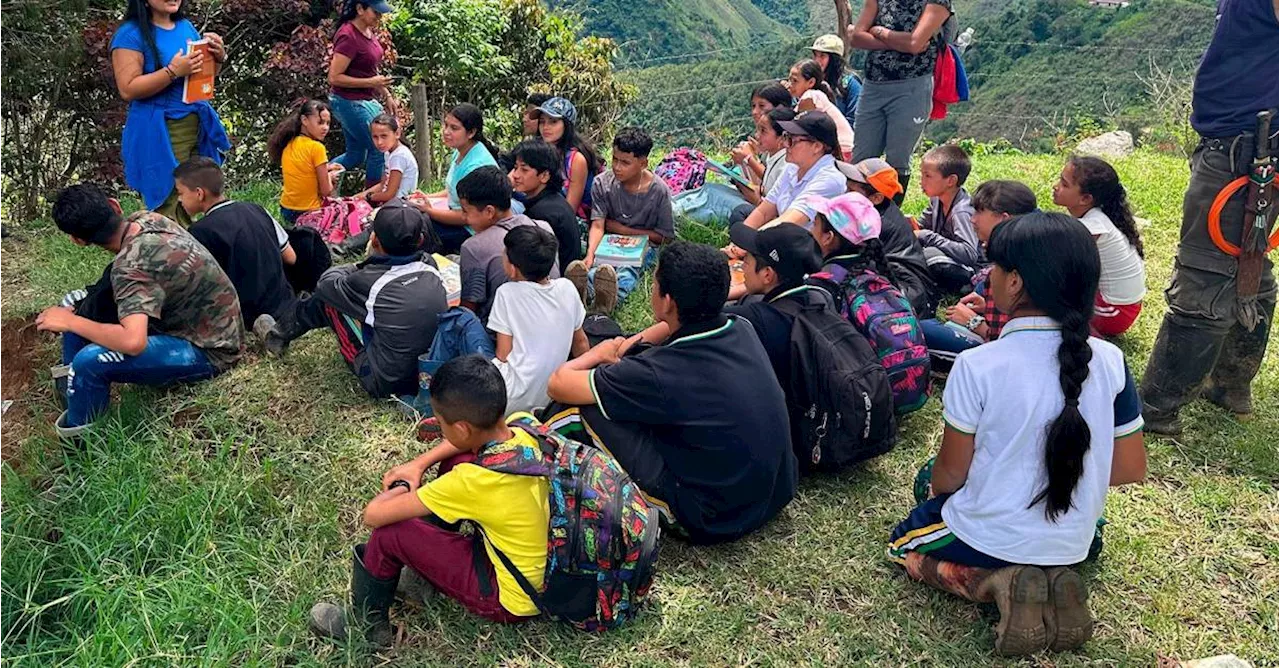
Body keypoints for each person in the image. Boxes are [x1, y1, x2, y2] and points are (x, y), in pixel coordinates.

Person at [886, 212, 1146, 656]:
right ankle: (1049, 575)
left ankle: (994, 584)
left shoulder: (977, 364)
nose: (990, 277)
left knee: (903, 542)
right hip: (1075, 542)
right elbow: (1127, 470)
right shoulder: (1111, 362)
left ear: (1016, 283)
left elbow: (949, 478)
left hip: (986, 539)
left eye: (996, 268)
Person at [546, 241, 798, 545]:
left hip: (711, 516)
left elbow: (558, 382)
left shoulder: (655, 372)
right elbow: (666, 331)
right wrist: (626, 344)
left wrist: (599, 351)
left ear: (667, 301)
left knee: (578, 409)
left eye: (654, 282)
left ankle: (530, 458)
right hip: (775, 490)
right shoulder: (739, 325)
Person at [308, 356, 549, 645]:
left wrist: (401, 488)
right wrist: (418, 465)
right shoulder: (525, 428)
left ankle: (367, 628)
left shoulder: (472, 482)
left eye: (441, 422)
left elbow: (374, 515)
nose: (439, 427)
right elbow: (463, 445)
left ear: (461, 428)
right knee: (459, 456)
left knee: (391, 534)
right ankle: (421, 579)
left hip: (509, 598)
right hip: (543, 571)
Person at [1142, 0, 1280, 436]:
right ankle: (1230, 384)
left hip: (1245, 152)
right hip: (1243, 145)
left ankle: (1157, 408)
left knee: (1204, 276)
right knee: (1247, 263)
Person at [37, 185, 243, 440]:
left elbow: (133, 342)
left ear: (77, 240)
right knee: (84, 310)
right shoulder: (149, 219)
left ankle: (82, 456)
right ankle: (73, 398)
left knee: (88, 362)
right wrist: (77, 318)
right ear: (115, 205)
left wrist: (71, 321)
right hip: (207, 321)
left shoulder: (130, 268)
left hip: (210, 348)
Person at [256, 202, 447, 399]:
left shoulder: (367, 282)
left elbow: (325, 283)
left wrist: (363, 264)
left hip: (384, 382)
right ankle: (280, 332)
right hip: (429, 371)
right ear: (421, 239)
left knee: (327, 301)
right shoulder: (428, 263)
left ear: (374, 241)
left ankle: (277, 335)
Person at [110, 0, 231, 225]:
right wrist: (172, 72)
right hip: (160, 127)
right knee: (171, 196)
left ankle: (201, 247)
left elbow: (202, 76)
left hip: (197, 121)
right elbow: (127, 88)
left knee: (202, 191)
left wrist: (218, 57)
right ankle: (174, 252)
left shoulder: (185, 26)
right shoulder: (130, 34)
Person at [920, 180, 1038, 373]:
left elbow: (1016, 342)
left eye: (979, 212)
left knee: (919, 331)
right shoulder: (1028, 242)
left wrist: (974, 323)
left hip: (1009, 355)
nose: (973, 220)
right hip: (1005, 331)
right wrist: (987, 306)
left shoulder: (1016, 263)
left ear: (1003, 218)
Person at [176, 157, 297, 328]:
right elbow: (290, 257)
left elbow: (198, 286)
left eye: (180, 193)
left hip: (243, 316)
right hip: (284, 305)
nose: (179, 200)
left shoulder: (200, 231)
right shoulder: (256, 209)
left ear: (199, 193)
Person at [848, 0, 953, 195]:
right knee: (861, 160)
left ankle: (889, 216)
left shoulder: (938, 2)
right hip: (872, 86)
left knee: (897, 161)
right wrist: (900, 42)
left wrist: (878, 31)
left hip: (912, 87)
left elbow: (914, 44)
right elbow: (856, 38)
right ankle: (854, 214)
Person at [567, 127, 675, 314]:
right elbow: (598, 224)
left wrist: (622, 229)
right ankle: (583, 290)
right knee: (597, 267)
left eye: (625, 163)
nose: (617, 167)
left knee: (628, 270)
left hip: (644, 246)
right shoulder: (602, 183)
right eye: (615, 159)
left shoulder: (659, 191)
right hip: (610, 243)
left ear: (643, 163)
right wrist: (590, 255)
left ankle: (610, 300)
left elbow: (664, 237)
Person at [490, 226, 590, 414]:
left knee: (463, 322)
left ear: (512, 269)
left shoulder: (506, 293)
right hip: (554, 396)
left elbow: (503, 354)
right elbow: (581, 343)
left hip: (509, 400)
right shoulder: (567, 287)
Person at [1052, 156, 1146, 337]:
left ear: (1086, 198)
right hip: (1120, 306)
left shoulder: (1092, 227)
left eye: (1064, 184)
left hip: (1114, 311)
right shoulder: (1098, 216)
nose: (1056, 186)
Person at [723, 222, 825, 387]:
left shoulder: (752, 321)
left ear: (767, 274)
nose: (742, 267)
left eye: (746, 261)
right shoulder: (818, 298)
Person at [457, 166, 559, 323]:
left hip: (502, 333)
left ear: (489, 211)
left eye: (465, 211)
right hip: (551, 317)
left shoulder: (473, 247)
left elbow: (469, 310)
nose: (463, 217)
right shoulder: (543, 227)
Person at [838, 157, 937, 317]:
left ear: (876, 198)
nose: (844, 195)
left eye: (851, 191)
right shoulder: (874, 212)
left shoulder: (874, 225)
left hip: (908, 293)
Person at [414, 103, 502, 253]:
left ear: (471, 132)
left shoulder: (476, 166)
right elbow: (453, 189)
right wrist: (427, 197)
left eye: (454, 128)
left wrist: (429, 210)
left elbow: (467, 216)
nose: (446, 132)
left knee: (415, 225)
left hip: (470, 229)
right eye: (446, 125)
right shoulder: (461, 150)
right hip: (455, 216)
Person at [328, 0, 397, 188]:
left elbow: (368, 70)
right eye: (376, 12)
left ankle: (318, 176)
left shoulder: (367, 31)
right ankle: (371, 200)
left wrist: (386, 93)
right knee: (378, 148)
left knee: (355, 155)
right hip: (347, 101)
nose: (379, 17)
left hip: (364, 99)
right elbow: (334, 78)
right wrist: (372, 83)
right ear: (360, 9)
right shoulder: (348, 36)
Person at [742, 113, 847, 231]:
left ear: (817, 146)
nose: (785, 144)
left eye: (792, 141)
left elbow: (789, 222)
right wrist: (738, 243)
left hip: (805, 245)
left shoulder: (829, 179)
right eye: (786, 137)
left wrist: (747, 241)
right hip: (785, 237)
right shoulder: (793, 167)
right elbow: (764, 210)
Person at [509, 139, 581, 272]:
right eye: (515, 168)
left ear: (544, 176)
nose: (516, 175)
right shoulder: (554, 200)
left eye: (524, 170)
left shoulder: (541, 214)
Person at [916, 144, 979, 294]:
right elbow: (922, 225)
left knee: (928, 255)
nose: (922, 181)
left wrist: (927, 236)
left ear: (951, 180)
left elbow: (969, 254)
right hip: (945, 258)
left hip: (970, 271)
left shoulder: (962, 212)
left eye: (928, 176)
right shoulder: (936, 200)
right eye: (922, 175)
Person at [269, 99, 341, 225]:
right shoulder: (317, 148)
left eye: (328, 123)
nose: (325, 128)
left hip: (286, 210)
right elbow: (326, 191)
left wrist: (326, 168)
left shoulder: (289, 143)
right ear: (304, 120)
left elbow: (304, 169)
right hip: (308, 211)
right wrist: (330, 177)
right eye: (320, 122)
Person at [538, 97, 601, 220]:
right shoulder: (537, 151)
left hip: (571, 221)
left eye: (553, 122)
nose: (546, 127)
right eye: (542, 121)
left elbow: (569, 209)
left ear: (566, 125)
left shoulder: (576, 159)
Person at [729, 108, 796, 219]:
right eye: (758, 130)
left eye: (763, 131)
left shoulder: (785, 164)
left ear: (782, 138)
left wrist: (748, 159)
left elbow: (777, 211)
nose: (757, 135)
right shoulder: (773, 157)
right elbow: (765, 189)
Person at [786, 60, 856, 161]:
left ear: (811, 82)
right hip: (845, 150)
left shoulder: (810, 97)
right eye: (789, 80)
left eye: (795, 81)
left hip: (842, 151)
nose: (790, 84)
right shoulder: (816, 95)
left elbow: (800, 129)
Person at [356, 113, 418, 207]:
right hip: (392, 205)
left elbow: (389, 195)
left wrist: (367, 197)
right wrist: (358, 197)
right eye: (375, 137)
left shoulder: (399, 156)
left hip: (401, 207)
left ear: (397, 134)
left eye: (384, 136)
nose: (379, 142)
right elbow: (382, 184)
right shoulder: (389, 153)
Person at [811, 34, 863, 129]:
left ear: (833, 59)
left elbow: (854, 117)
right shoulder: (812, 81)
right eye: (815, 55)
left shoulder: (850, 83)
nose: (817, 60)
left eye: (822, 56)